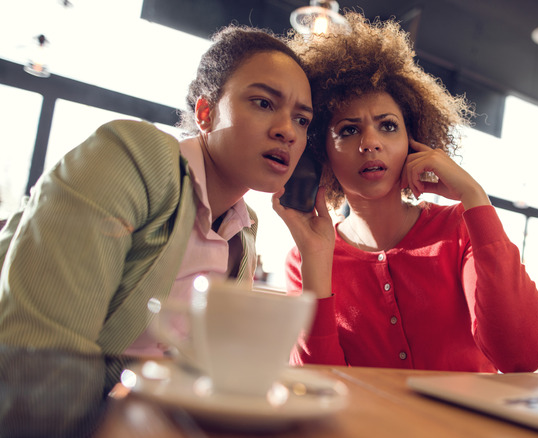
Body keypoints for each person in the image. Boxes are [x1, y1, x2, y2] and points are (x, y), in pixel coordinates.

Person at [0, 25, 326, 379]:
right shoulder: (134, 158)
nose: (288, 131)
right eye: (263, 103)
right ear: (205, 113)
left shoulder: (243, 229)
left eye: (302, 120)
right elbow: (39, 356)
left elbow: (207, 369)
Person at [282, 12, 538, 373]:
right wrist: (316, 266)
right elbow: (317, 382)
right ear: (321, 152)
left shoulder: (460, 230)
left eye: (388, 126)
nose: (370, 142)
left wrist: (474, 195)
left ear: (414, 140)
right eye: (348, 130)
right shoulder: (305, 256)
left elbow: (521, 355)